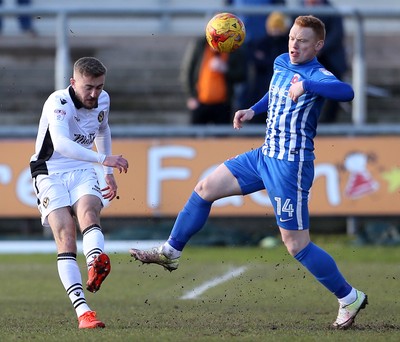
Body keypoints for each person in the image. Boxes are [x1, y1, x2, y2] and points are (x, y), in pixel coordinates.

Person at [130, 16, 368, 329]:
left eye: (303, 41)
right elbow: (276, 93)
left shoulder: (318, 75)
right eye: (292, 38)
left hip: (290, 167)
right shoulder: (282, 62)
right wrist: (253, 110)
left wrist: (308, 85)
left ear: (318, 45)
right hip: (263, 156)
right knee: (205, 188)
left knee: (296, 245)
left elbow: (346, 91)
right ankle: (170, 252)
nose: (294, 45)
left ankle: (348, 296)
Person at [30, 57, 129, 329]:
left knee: (89, 211)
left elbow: (103, 128)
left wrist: (107, 173)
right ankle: (83, 311)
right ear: (73, 83)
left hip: (83, 166)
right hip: (49, 170)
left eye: (99, 87)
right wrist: (103, 160)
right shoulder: (58, 102)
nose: (95, 94)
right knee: (66, 236)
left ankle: (96, 262)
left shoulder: (103, 99)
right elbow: (60, 143)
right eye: (89, 88)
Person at [301, 0, 348, 122]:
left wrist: (319, 48)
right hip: (309, 61)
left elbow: (337, 34)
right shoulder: (300, 10)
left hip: (330, 60)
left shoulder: (331, 11)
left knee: (332, 94)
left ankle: (328, 124)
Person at [180, 36, 246, 124]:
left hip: (223, 104)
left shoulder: (233, 48)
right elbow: (188, 71)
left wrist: (226, 69)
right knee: (195, 135)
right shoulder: (200, 45)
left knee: (222, 135)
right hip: (200, 102)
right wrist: (191, 96)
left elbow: (242, 74)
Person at [249, 11, 290, 123]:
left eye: (278, 27)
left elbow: (284, 64)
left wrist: (266, 60)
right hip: (262, 85)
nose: (275, 31)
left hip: (283, 87)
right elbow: (256, 61)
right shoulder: (262, 42)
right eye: (273, 27)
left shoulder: (287, 43)